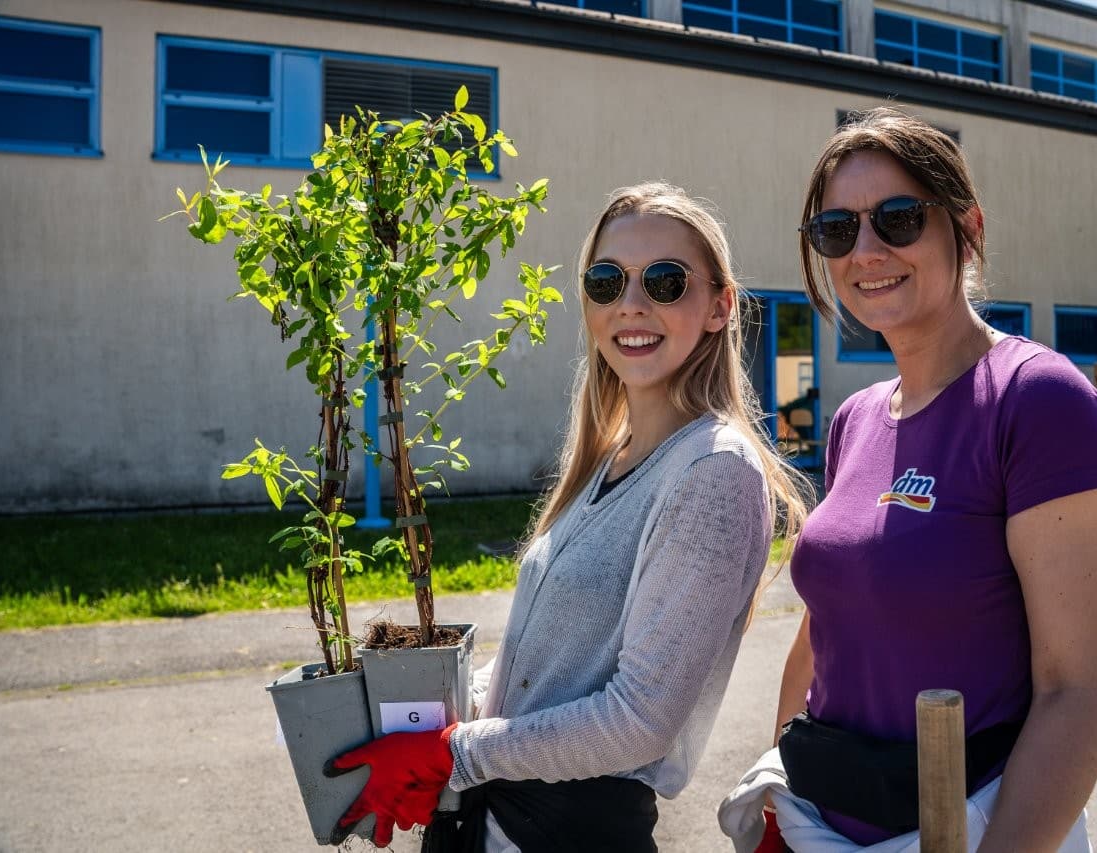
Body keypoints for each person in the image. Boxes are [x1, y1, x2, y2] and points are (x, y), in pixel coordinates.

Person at [328, 181, 812, 851]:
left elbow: (639, 720)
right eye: (607, 281)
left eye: (665, 281)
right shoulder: (609, 456)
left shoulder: (713, 471)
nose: (631, 304)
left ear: (719, 306)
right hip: (491, 822)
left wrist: (452, 753)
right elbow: (541, 675)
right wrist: (422, 718)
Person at [722, 107, 1097, 852]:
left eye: (899, 218)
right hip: (822, 818)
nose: (866, 250)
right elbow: (828, 625)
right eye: (836, 230)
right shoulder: (855, 419)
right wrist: (778, 780)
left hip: (966, 827)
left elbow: (1076, 693)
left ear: (967, 226)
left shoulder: (1039, 402)